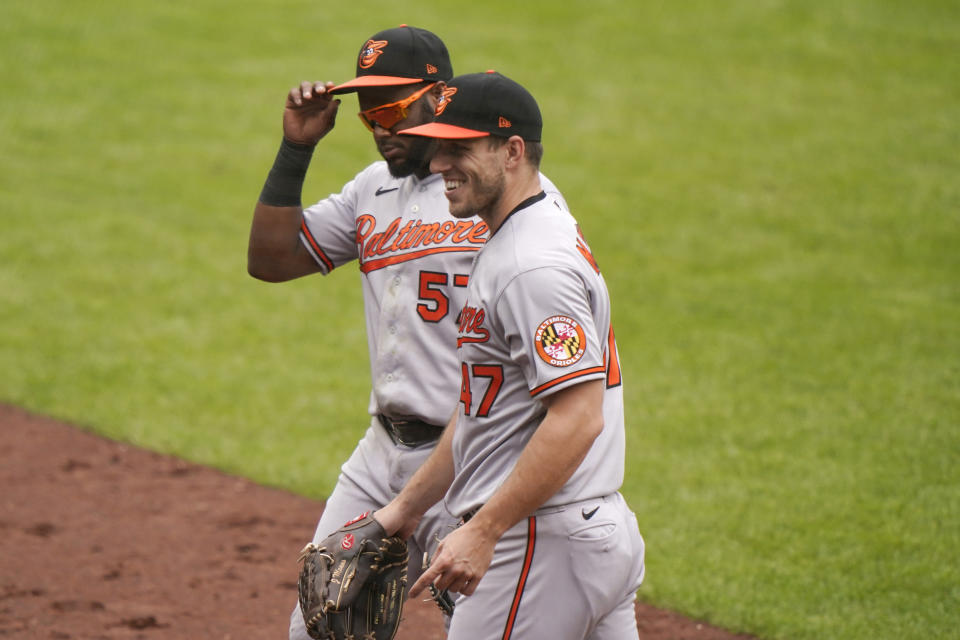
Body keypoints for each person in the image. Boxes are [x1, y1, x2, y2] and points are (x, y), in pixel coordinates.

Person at [246, 27, 568, 640]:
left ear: (439, 95)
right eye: (368, 112)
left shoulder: (503, 199)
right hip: (381, 453)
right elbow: (271, 259)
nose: (380, 124)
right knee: (319, 623)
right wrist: (296, 150)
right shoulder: (373, 188)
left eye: (393, 106)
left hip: (475, 457)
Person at [373, 71, 646, 640]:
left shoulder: (530, 266)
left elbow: (578, 417)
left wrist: (484, 529)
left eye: (461, 149)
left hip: (537, 544)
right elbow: (485, 409)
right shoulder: (523, 234)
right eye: (439, 146)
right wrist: (402, 512)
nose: (440, 164)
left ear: (513, 151)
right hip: (580, 533)